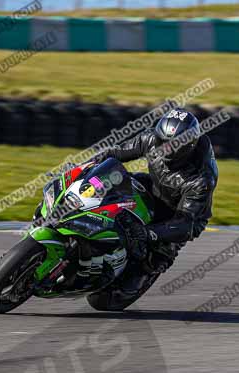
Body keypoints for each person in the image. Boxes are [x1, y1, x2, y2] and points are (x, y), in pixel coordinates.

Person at [89, 108, 218, 301]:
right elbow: (113, 153)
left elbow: (185, 224)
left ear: (186, 147)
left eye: (171, 146)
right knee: (114, 182)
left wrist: (147, 233)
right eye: (161, 141)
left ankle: (148, 269)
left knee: (157, 253)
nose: (163, 148)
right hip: (154, 188)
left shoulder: (201, 179)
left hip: (179, 215)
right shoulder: (151, 140)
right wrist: (84, 166)